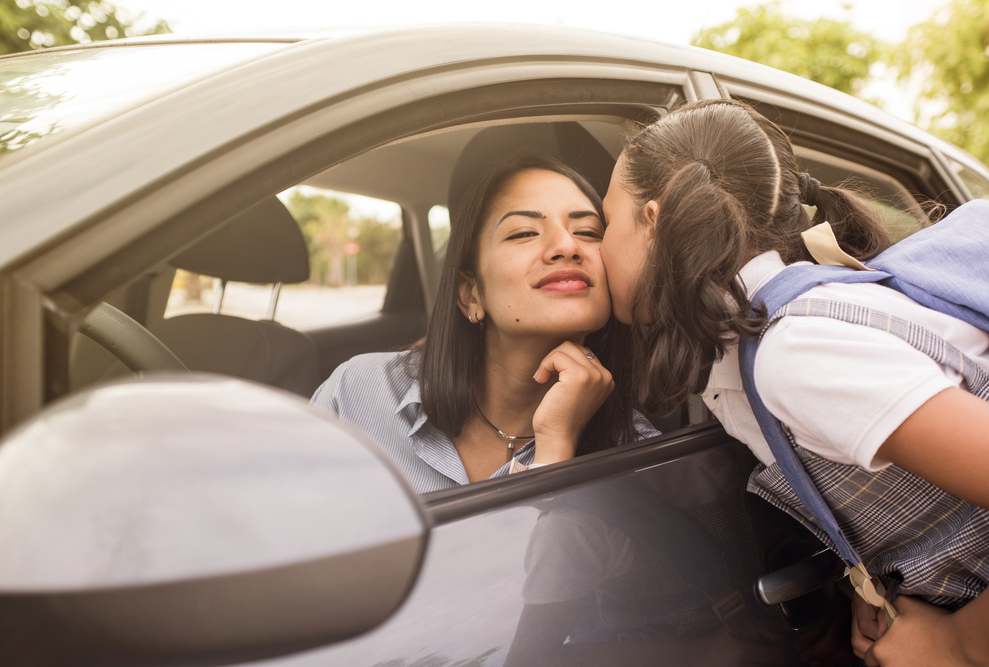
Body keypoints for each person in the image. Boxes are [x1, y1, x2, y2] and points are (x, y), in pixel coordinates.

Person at [599, 99, 989, 667]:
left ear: (655, 222)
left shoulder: (797, 354)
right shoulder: (784, 330)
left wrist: (960, 643)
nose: (597, 246)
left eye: (606, 222)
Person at [312, 153, 655, 494]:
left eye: (587, 231)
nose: (567, 245)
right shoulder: (357, 394)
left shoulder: (644, 456)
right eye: (523, 233)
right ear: (470, 294)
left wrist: (556, 446)